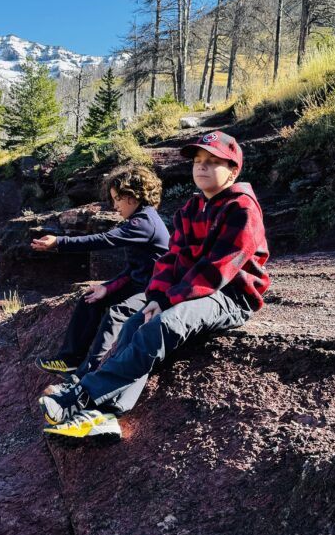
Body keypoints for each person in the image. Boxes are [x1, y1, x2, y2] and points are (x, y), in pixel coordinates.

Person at [39, 131, 269, 441]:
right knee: (135, 323)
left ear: (233, 170)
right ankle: (105, 415)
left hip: (229, 296)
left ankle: (81, 395)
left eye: (213, 162)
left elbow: (217, 270)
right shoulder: (190, 209)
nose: (201, 167)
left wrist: (169, 301)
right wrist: (157, 296)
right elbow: (171, 259)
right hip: (192, 292)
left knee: (163, 325)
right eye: (198, 161)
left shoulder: (241, 208)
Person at [31, 164, 169, 381]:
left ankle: (91, 371)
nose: (115, 206)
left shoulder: (145, 222)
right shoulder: (141, 219)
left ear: (133, 196)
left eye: (117, 198)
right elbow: (134, 270)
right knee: (91, 299)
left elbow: (104, 240)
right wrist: (107, 287)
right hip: (140, 285)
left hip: (156, 290)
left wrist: (59, 242)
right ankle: (69, 361)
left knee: (117, 312)